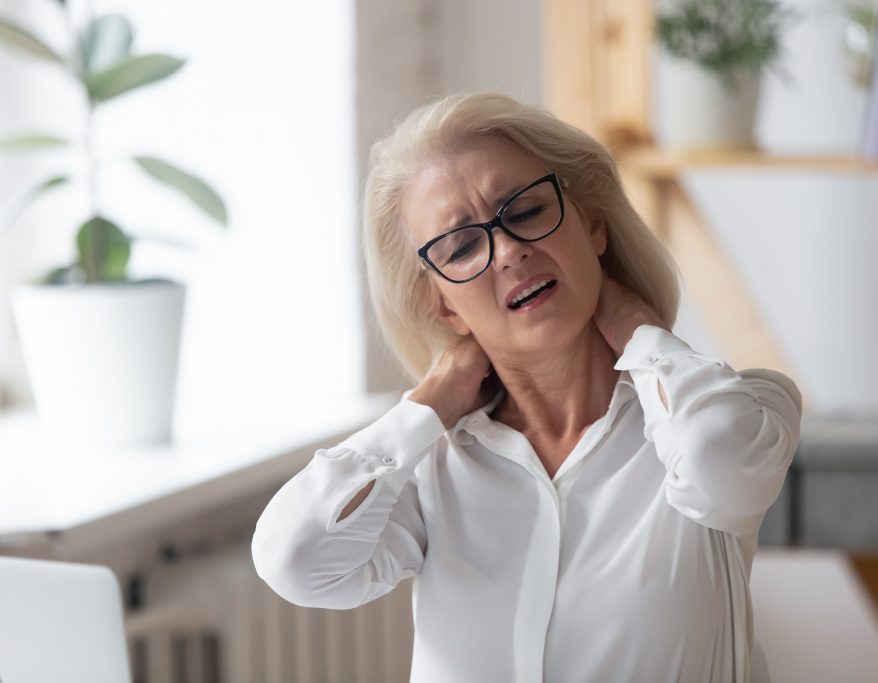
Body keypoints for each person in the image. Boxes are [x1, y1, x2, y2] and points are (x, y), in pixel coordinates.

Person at [251, 92, 802, 683]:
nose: (509, 250)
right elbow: (296, 560)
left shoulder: (738, 412)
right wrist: (433, 400)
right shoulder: (430, 468)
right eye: (461, 246)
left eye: (526, 209)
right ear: (441, 304)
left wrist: (641, 333)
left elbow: (721, 463)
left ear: (593, 224)